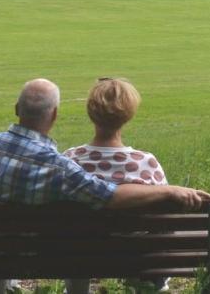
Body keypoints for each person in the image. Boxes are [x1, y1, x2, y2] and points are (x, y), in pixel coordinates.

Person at [0, 78, 210, 293]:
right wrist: (169, 190)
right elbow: (109, 196)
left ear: (17, 108)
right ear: (55, 115)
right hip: (131, 257)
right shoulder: (59, 169)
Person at [63, 78, 171, 294]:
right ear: (128, 115)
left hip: (79, 255)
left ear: (91, 113)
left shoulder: (69, 160)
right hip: (135, 255)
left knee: (75, 240)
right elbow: (165, 218)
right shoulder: (146, 163)